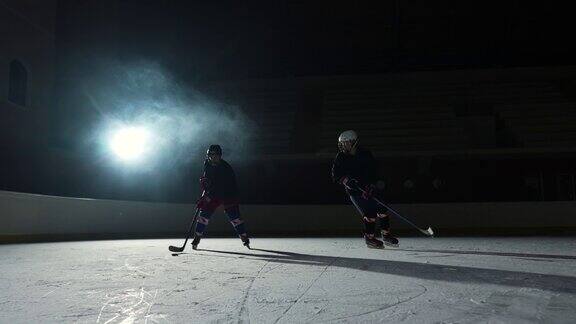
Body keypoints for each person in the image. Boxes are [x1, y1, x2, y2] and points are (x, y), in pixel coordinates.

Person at [331, 130, 399, 249]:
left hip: (368, 188)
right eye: (342, 143)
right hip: (355, 191)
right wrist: (347, 181)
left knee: (383, 208)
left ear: (354, 142)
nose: (343, 145)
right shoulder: (341, 156)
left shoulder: (365, 154)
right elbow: (335, 174)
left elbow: (374, 171)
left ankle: (386, 235)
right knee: (369, 213)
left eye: (346, 142)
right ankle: (370, 238)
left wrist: (372, 185)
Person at [191, 144, 250, 249]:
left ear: (220, 155)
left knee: (234, 216)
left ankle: (244, 237)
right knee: (204, 212)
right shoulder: (207, 163)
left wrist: (207, 197)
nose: (212, 157)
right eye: (210, 155)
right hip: (214, 191)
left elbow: (220, 188)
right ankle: (197, 237)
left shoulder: (225, 169)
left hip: (229, 193)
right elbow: (208, 179)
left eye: (215, 155)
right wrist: (204, 182)